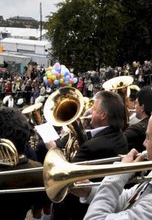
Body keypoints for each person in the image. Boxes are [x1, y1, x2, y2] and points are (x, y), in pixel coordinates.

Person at [81, 104, 152, 219]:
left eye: (148, 137)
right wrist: (89, 190)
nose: (144, 143)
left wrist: (118, 174)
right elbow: (129, 199)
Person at [48, 90, 129, 220]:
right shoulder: (120, 136)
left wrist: (53, 148)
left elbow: (66, 175)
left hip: (77, 211)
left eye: (94, 109)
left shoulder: (92, 146)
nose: (90, 111)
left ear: (103, 115)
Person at [124, 86, 152, 152]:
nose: (135, 106)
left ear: (142, 107)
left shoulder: (136, 129)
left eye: (136, 103)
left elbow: (119, 140)